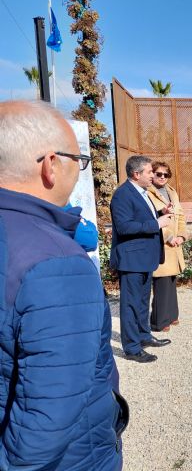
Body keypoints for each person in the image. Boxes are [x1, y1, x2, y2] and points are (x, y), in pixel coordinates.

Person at [0, 100, 122, 469]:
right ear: (52, 165)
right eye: (78, 160)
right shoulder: (56, 261)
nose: (79, 170)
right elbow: (51, 414)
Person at [110, 155, 173, 363]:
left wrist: (159, 212)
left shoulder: (142, 192)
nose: (153, 175)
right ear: (136, 174)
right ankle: (132, 348)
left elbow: (140, 215)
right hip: (131, 260)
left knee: (143, 302)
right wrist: (157, 224)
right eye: (149, 172)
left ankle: (144, 336)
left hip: (144, 258)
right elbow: (124, 226)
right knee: (130, 304)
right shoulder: (122, 195)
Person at [147, 162, 188, 332]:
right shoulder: (148, 194)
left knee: (171, 281)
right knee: (162, 283)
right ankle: (159, 321)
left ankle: (171, 315)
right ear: (152, 175)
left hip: (175, 244)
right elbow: (151, 219)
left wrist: (181, 235)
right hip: (161, 244)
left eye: (166, 174)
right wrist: (169, 237)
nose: (162, 177)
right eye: (158, 174)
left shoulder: (172, 192)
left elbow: (180, 215)